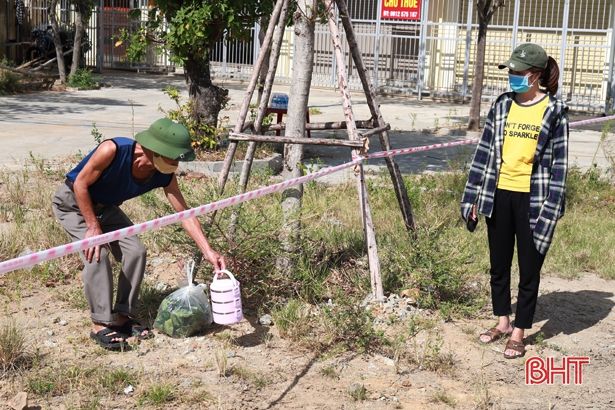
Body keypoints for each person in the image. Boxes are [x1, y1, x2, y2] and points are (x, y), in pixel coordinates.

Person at [52, 118, 226, 351]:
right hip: (74, 203)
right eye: (172, 156)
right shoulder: (112, 151)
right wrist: (92, 227)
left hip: (106, 208)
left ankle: (123, 316)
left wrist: (208, 250)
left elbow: (184, 212)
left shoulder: (163, 173)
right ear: (155, 150)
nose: (176, 163)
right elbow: (80, 184)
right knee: (97, 254)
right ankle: (100, 322)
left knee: (136, 251)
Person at [460, 43, 569, 359]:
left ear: (534, 75)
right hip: (499, 195)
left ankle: (520, 331)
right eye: (510, 71)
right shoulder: (502, 106)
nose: (512, 77)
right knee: (498, 265)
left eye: (518, 72)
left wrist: (552, 208)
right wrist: (472, 196)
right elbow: (484, 153)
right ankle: (503, 322)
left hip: (534, 200)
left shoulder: (555, 112)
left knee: (529, 269)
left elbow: (559, 167)